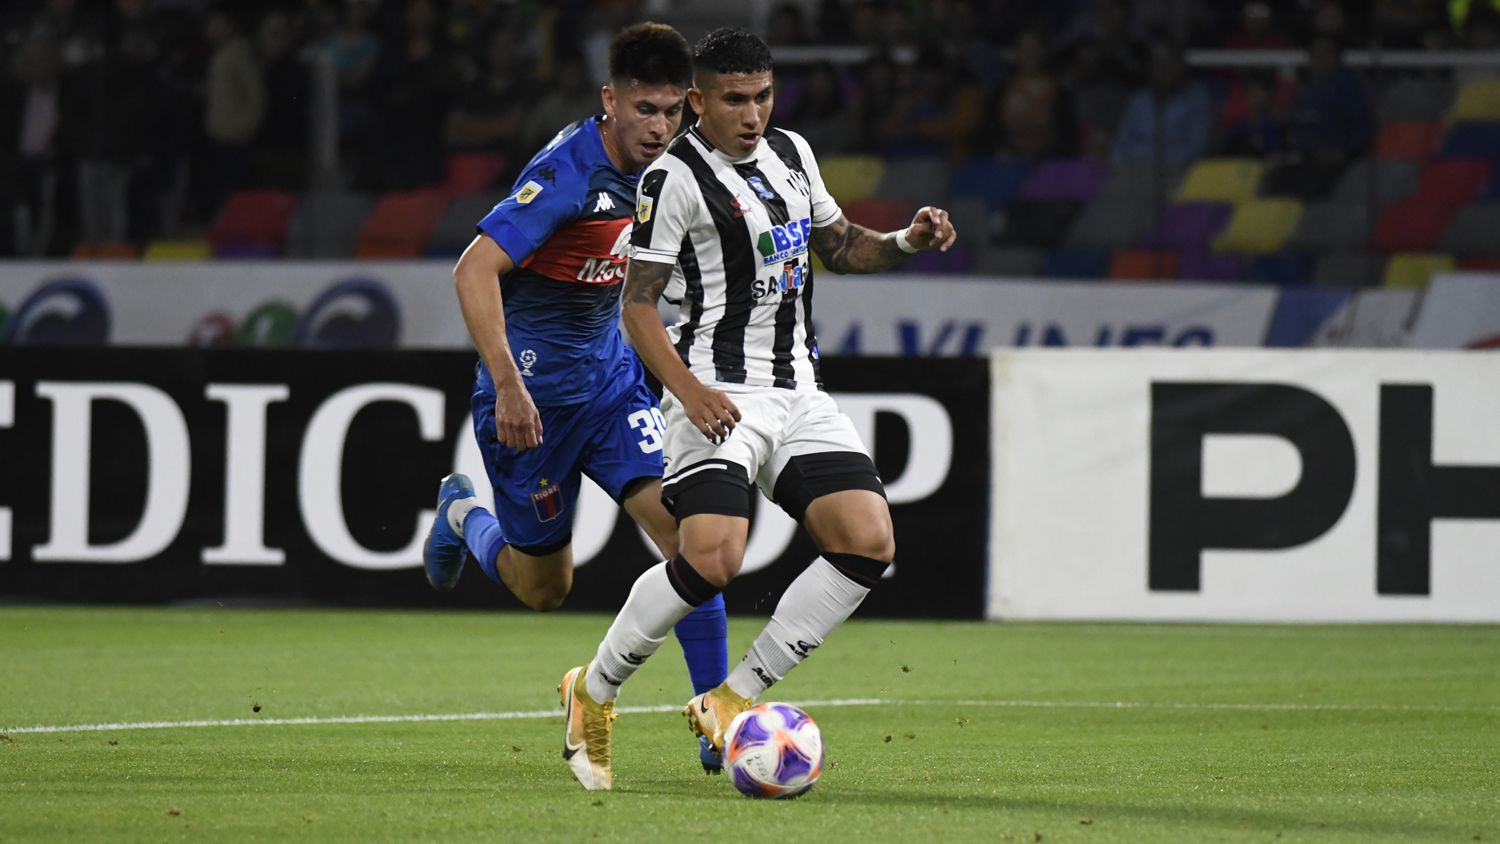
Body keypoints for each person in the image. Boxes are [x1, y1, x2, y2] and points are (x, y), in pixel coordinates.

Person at [556, 27, 956, 792]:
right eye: (735, 99)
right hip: (716, 390)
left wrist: (905, 239)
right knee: (713, 559)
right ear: (697, 101)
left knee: (868, 541)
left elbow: (840, 246)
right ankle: (594, 690)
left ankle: (733, 696)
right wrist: (688, 390)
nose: (752, 114)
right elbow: (637, 305)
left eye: (763, 96)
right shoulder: (671, 179)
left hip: (798, 390)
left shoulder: (794, 154)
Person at [418, 22, 729, 774]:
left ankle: (718, 717)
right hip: (531, 404)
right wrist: (507, 383)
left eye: (671, 112)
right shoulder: (567, 175)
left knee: (692, 543)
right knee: (544, 590)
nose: (658, 128)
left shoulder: (676, 165)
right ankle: (463, 515)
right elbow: (472, 270)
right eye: (644, 110)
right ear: (610, 100)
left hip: (612, 386)